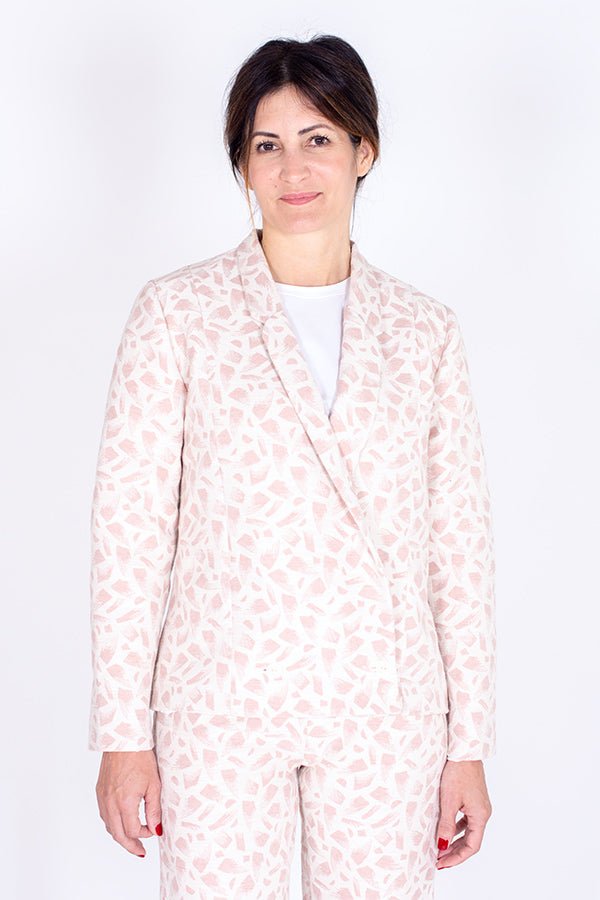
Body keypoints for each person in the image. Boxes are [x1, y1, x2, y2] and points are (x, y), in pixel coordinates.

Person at [89, 33, 496, 899]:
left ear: (363, 150)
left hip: (384, 704)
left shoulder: (424, 331)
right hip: (220, 698)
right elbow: (130, 534)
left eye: (318, 139)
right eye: (267, 145)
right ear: (242, 163)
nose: (293, 169)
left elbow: (458, 548)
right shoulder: (179, 314)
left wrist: (469, 746)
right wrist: (123, 735)